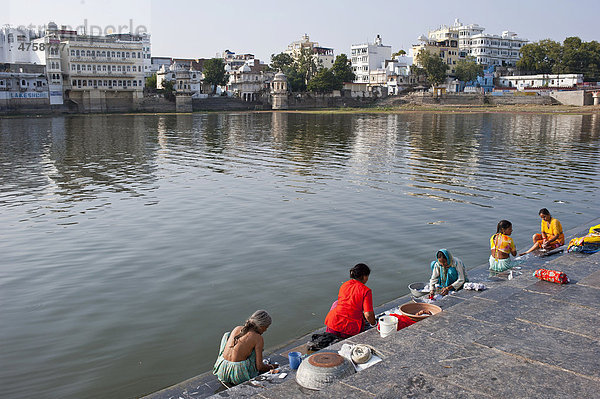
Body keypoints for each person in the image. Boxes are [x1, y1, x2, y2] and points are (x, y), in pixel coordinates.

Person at [213, 310, 276, 386]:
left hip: (222, 371)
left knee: (227, 335)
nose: (265, 330)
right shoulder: (258, 338)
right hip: (238, 376)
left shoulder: (237, 328)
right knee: (254, 351)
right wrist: (272, 366)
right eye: (266, 327)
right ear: (261, 326)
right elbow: (260, 367)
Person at [324, 263, 376, 338]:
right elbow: (368, 314)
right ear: (365, 277)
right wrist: (374, 324)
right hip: (349, 328)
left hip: (332, 324)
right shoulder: (366, 290)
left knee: (336, 303)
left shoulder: (345, 285)